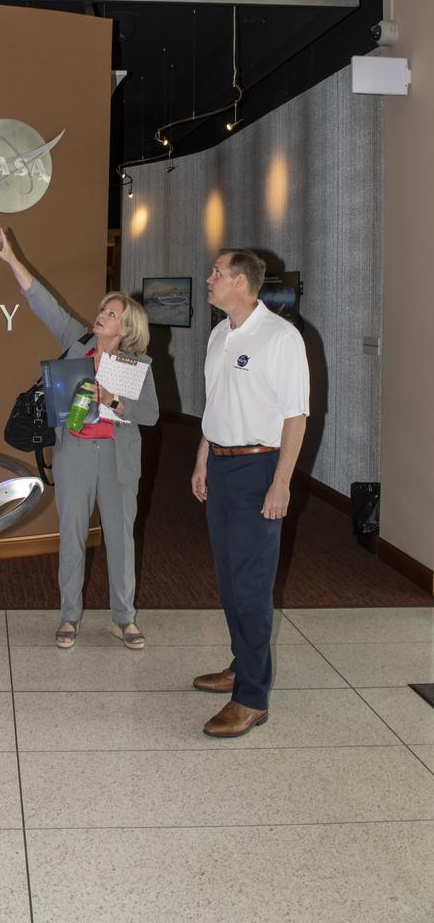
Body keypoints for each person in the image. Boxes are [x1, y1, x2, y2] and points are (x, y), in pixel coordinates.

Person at [0, 226, 159, 649]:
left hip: (118, 457)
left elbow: (150, 414)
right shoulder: (77, 342)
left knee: (121, 541)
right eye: (103, 310)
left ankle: (124, 618)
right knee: (71, 537)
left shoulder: (135, 364)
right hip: (75, 453)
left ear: (126, 327)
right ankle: (69, 616)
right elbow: (43, 303)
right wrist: (13, 260)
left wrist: (113, 399)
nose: (101, 315)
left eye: (111, 314)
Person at [191, 248, 309, 738]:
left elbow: (296, 417)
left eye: (217, 272)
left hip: (260, 468)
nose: (210, 278)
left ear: (241, 282)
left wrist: (281, 482)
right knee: (228, 577)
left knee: (252, 584)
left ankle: (252, 697)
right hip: (221, 465)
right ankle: (242, 665)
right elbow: (216, 403)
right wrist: (203, 457)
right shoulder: (219, 334)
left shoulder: (281, 337)